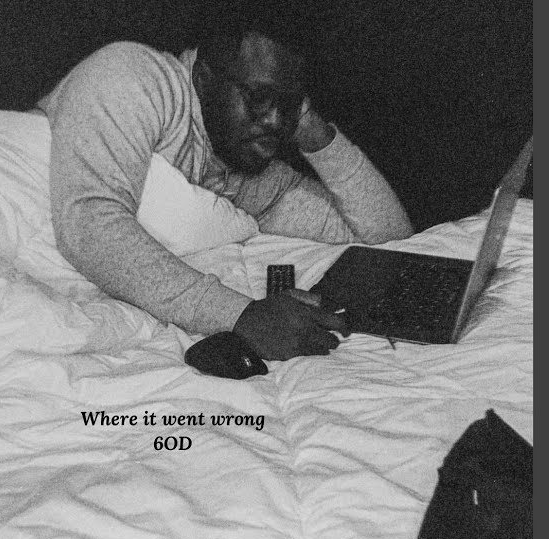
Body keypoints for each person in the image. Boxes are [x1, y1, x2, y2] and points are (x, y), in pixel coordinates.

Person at [37, 13, 413, 361]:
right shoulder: (133, 75)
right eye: (258, 97)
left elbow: (391, 243)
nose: (274, 120)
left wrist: (316, 134)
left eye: (288, 105)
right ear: (203, 78)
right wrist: (241, 315)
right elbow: (89, 223)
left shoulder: (246, 170)